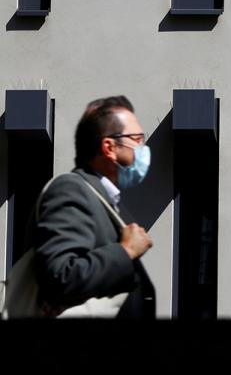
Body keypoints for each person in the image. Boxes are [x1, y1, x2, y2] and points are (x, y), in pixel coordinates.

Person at [31, 95, 156, 318]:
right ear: (109, 147)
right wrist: (125, 251)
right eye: (137, 139)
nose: (143, 148)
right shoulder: (70, 190)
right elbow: (60, 276)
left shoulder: (104, 200)